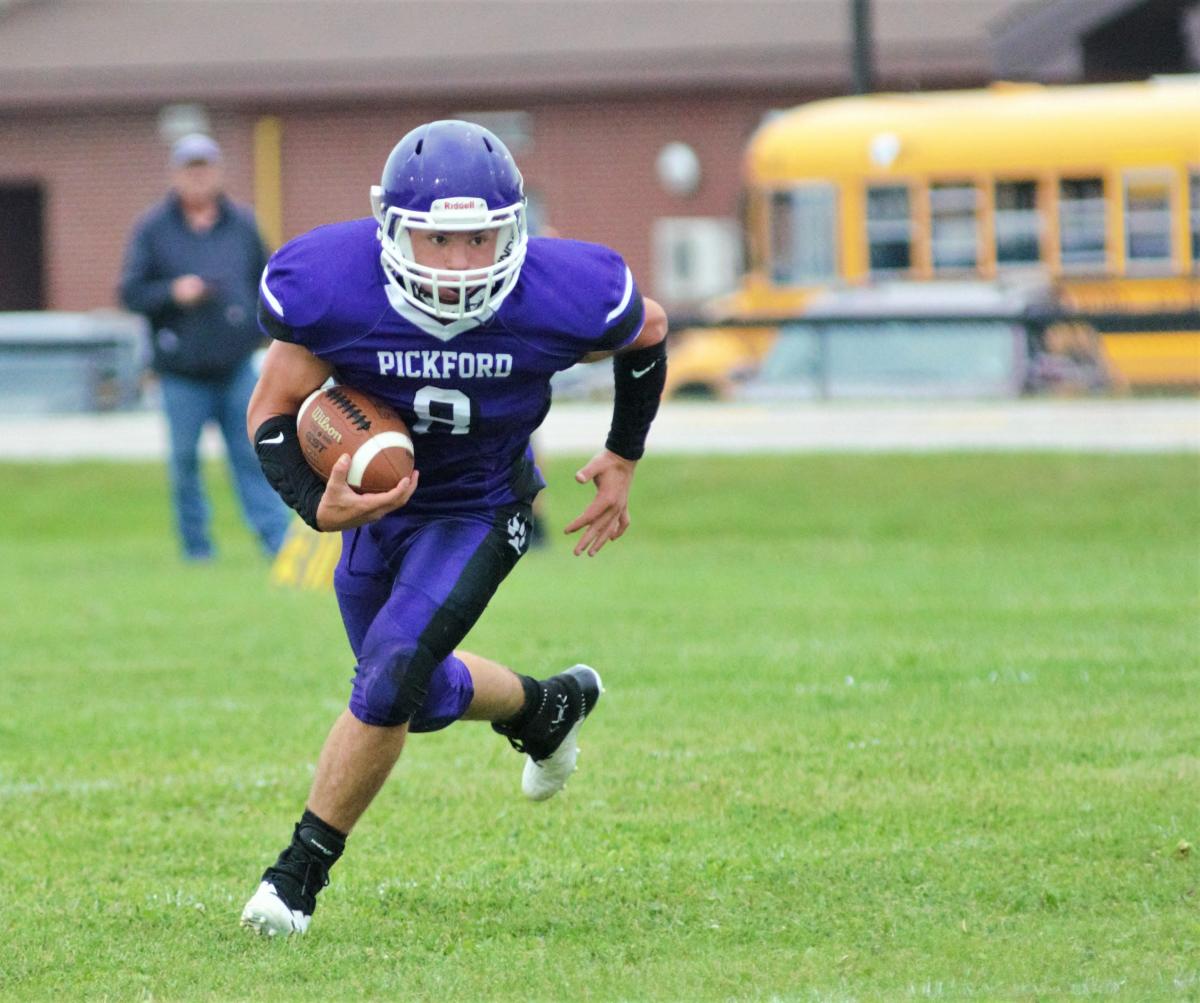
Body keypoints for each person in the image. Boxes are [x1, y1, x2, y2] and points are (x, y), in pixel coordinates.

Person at [239, 119, 668, 937]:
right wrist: (311, 499)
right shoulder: (332, 283)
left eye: (480, 238)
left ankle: (293, 881)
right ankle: (546, 708)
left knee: (392, 674)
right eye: (439, 239)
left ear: (514, 230)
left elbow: (646, 328)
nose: (462, 263)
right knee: (418, 696)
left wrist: (623, 452)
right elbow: (272, 407)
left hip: (481, 507)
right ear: (393, 231)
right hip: (378, 512)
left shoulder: (562, 289)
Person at [119, 133, 290, 561]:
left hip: (236, 366)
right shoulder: (154, 229)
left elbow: (269, 281)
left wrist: (264, 332)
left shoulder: (242, 224)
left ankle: (277, 544)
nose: (198, 177)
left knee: (255, 457)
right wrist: (174, 293)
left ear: (218, 172)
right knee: (184, 465)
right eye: (190, 169)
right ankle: (197, 550)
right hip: (181, 372)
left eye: (205, 168)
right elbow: (131, 292)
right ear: (175, 175)